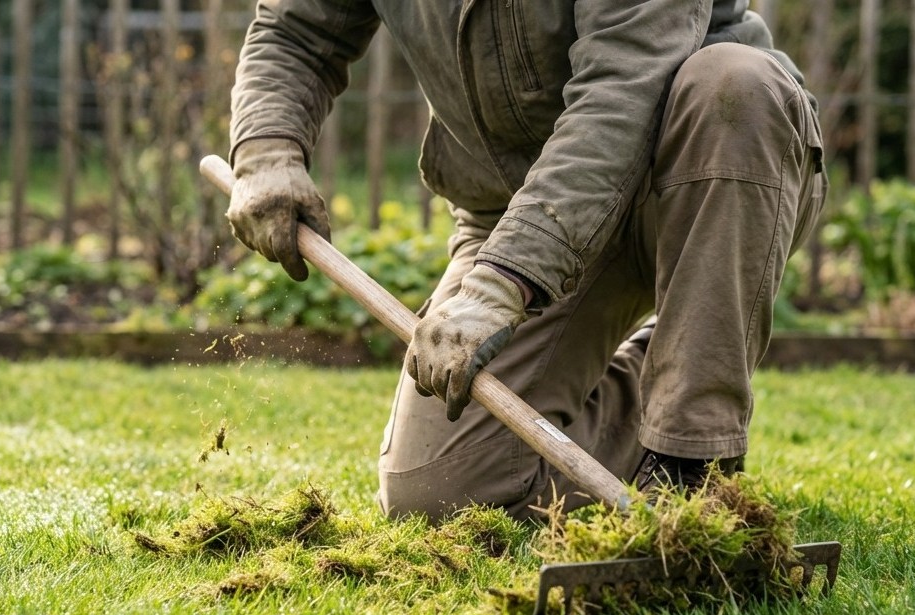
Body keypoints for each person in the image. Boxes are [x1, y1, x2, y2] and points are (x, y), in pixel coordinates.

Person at [224, 0, 827, 523]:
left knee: (735, 83)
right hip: (512, 206)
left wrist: (500, 282)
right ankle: (676, 359)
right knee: (440, 490)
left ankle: (693, 464)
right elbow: (297, 33)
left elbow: (622, 87)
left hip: (701, 182)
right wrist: (266, 148)